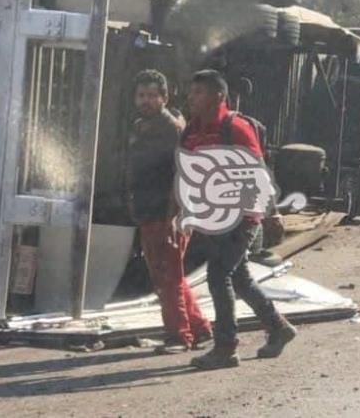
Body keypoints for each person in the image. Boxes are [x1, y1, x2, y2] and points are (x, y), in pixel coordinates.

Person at [181, 69, 297, 370]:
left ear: (218, 96)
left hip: (242, 217)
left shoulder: (236, 128)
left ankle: (226, 347)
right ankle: (279, 328)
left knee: (219, 276)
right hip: (213, 217)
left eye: (199, 93)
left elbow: (259, 171)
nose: (192, 99)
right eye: (191, 93)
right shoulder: (192, 130)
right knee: (241, 279)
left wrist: (272, 213)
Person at [125, 69, 212, 354]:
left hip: (169, 214)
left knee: (169, 276)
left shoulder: (172, 129)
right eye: (141, 95)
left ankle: (178, 336)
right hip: (149, 211)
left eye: (152, 96)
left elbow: (183, 174)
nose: (146, 101)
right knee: (167, 274)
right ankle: (199, 330)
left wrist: (176, 216)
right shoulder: (141, 126)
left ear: (164, 98)